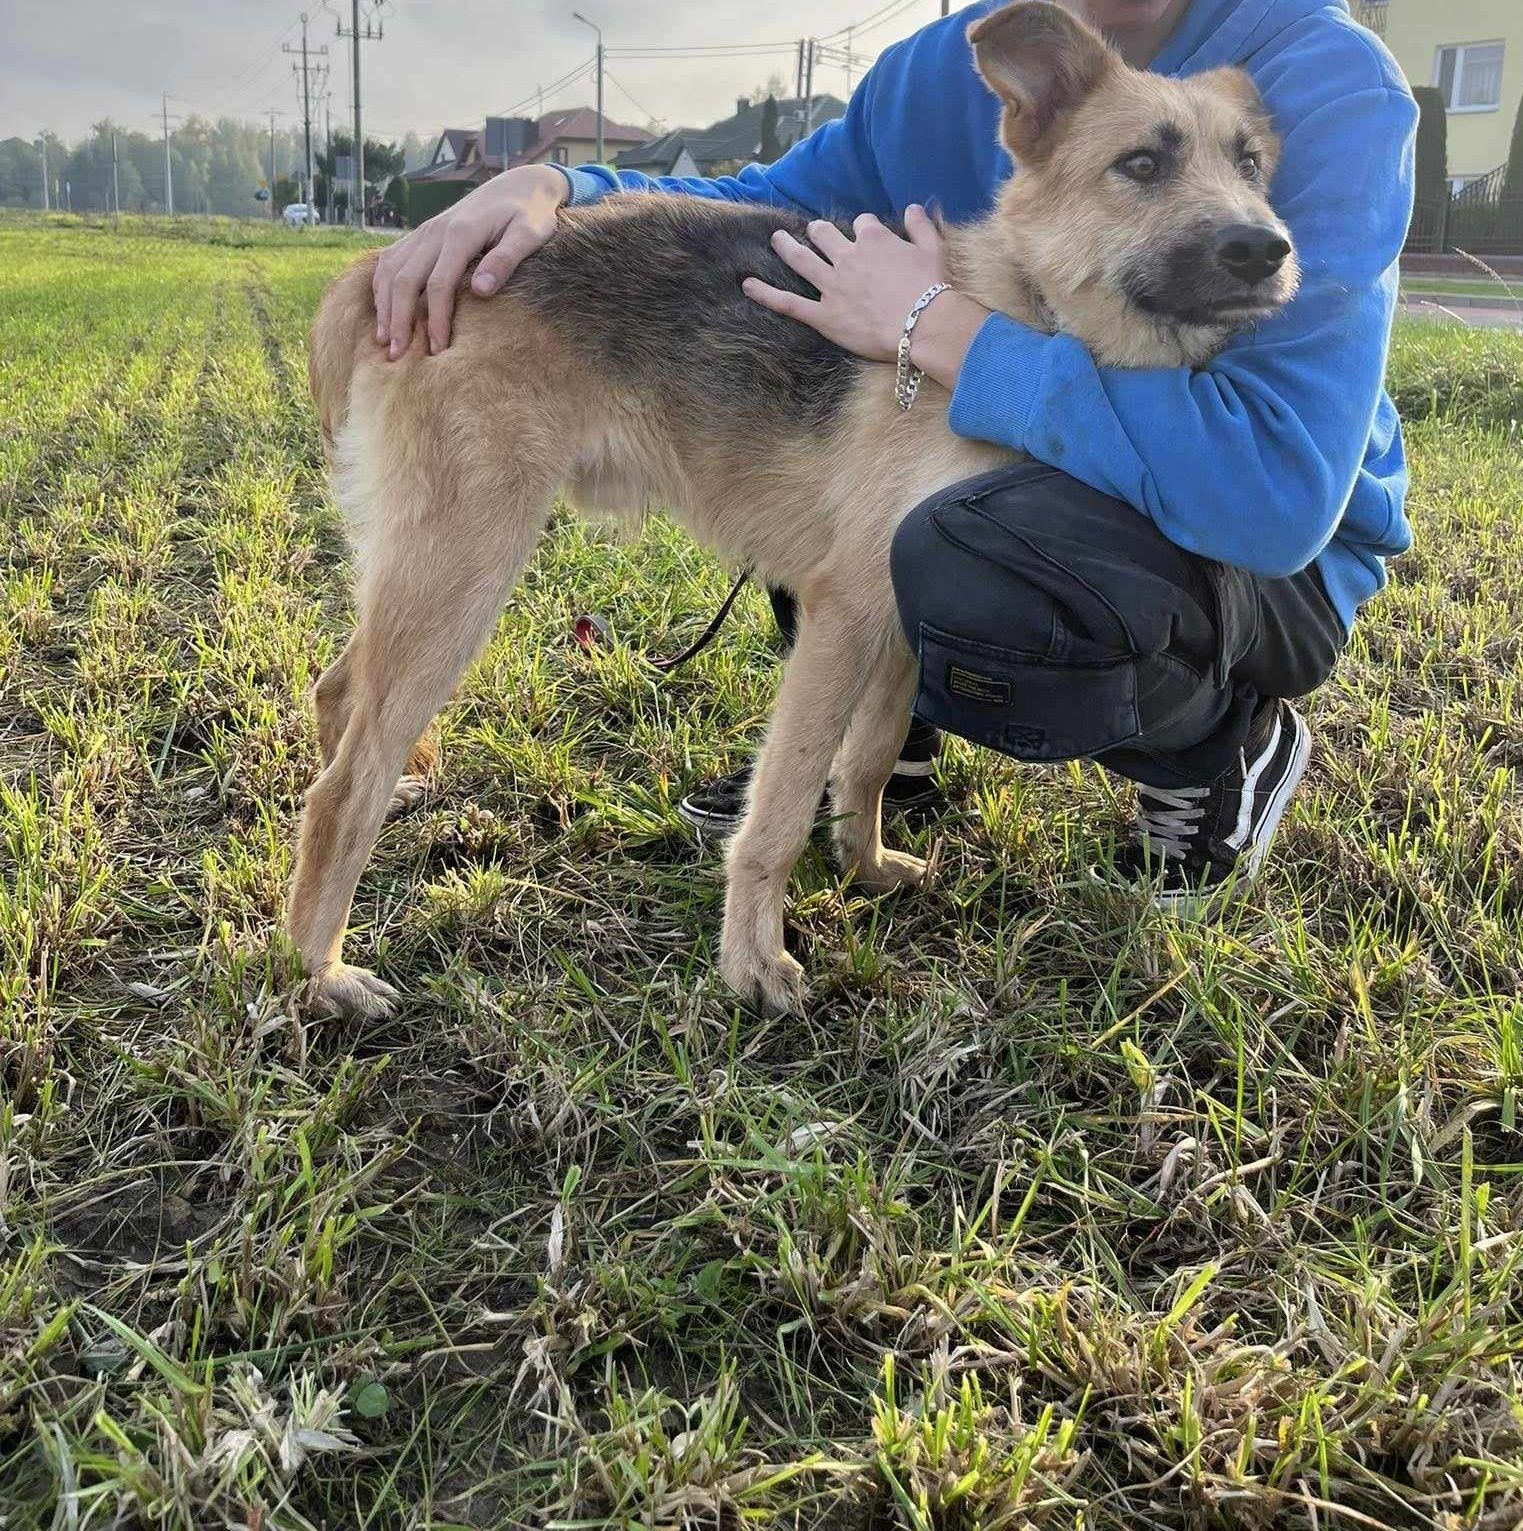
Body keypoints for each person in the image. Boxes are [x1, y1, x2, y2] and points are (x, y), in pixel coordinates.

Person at [370, 0, 1416, 913]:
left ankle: (1216, 742)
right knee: (854, 408)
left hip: (1269, 564)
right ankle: (876, 754)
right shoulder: (944, 70)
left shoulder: (1326, 82)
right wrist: (550, 183)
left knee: (971, 539)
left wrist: (940, 328)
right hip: (1035, 447)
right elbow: (761, 211)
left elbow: (1275, 496)